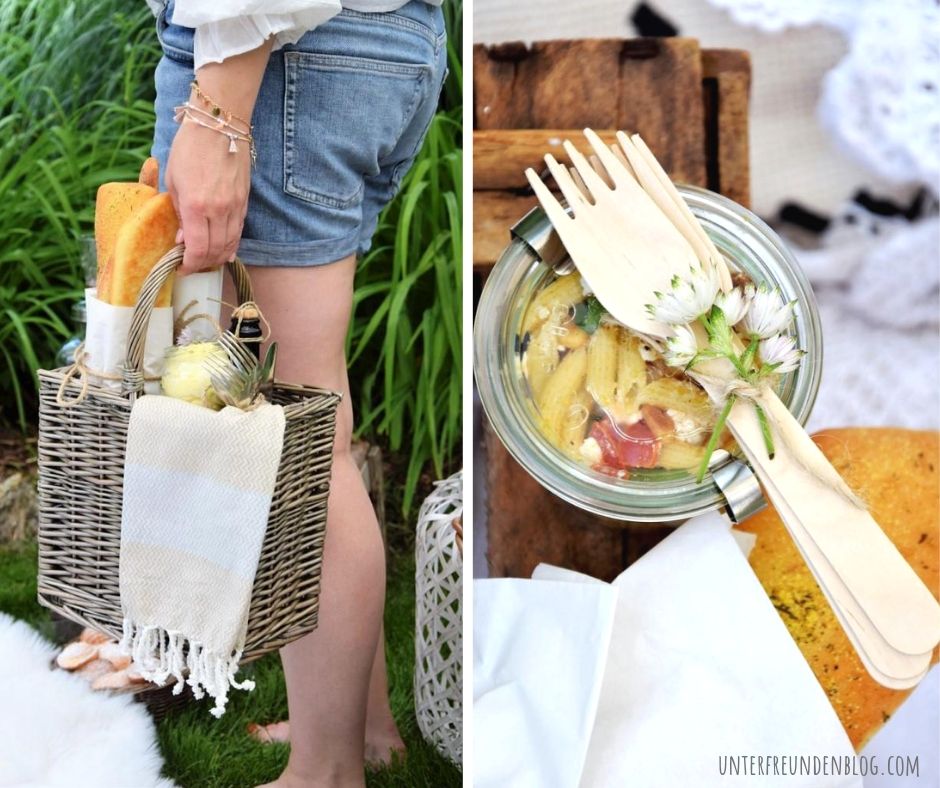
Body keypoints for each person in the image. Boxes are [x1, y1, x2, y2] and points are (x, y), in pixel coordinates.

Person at [150, 1, 447, 785]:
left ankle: (326, 771)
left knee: (292, 439)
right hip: (361, 45)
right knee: (317, 419)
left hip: (274, 58)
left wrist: (218, 113)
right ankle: (363, 730)